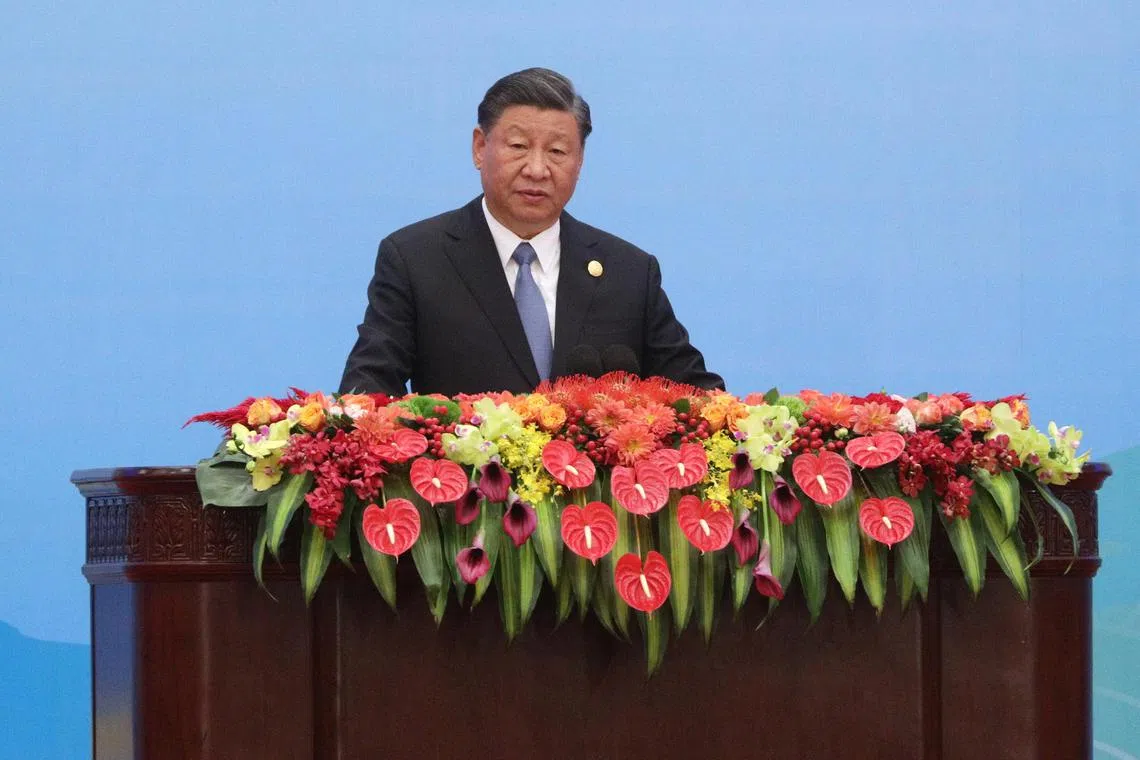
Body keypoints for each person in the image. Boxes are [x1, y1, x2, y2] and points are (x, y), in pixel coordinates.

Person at [339, 67, 723, 397]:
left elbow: (698, 398)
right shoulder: (416, 259)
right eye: (519, 146)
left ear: (579, 161)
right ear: (479, 147)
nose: (537, 169)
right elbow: (369, 390)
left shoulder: (629, 272)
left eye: (557, 152)